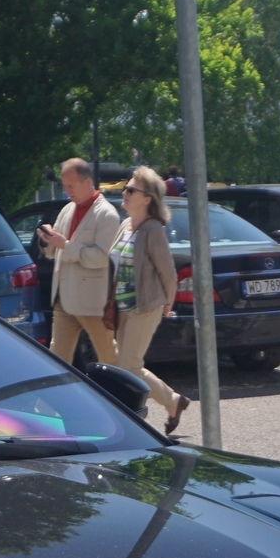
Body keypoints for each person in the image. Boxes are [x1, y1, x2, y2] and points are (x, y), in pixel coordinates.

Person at [108, 167, 191, 433]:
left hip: (146, 306)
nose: (125, 192)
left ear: (147, 199)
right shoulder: (125, 225)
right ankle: (172, 402)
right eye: (126, 188)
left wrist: (168, 302)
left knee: (130, 364)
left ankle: (166, 403)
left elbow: (168, 272)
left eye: (131, 190)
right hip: (122, 306)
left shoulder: (153, 229)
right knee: (123, 365)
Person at [38, 156, 123, 365]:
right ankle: (58, 399)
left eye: (71, 186)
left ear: (87, 182)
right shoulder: (67, 209)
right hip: (64, 300)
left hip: (92, 303)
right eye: (64, 186)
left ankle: (124, 396)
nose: (67, 191)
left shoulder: (107, 214)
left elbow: (102, 258)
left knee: (110, 358)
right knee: (58, 360)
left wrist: (64, 245)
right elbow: (53, 252)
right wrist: (46, 240)